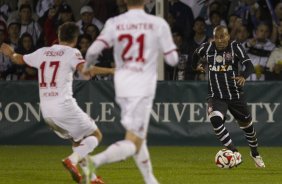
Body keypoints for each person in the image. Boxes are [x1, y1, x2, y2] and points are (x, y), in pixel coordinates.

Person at [0, 22, 114, 184]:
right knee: (96, 135)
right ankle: (71, 161)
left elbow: (19, 59)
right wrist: (111, 71)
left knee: (78, 142)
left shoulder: (43, 52)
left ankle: (92, 178)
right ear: (75, 39)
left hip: (46, 111)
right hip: (63, 106)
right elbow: (86, 71)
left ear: (59, 37)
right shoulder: (72, 52)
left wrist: (11, 54)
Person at [83, 0, 179, 183]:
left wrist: (87, 67)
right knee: (134, 140)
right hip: (142, 85)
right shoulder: (157, 23)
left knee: (138, 135)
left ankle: (150, 179)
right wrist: (166, 47)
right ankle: (93, 161)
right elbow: (173, 60)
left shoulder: (114, 22)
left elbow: (93, 50)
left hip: (122, 84)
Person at [192, 25, 265, 168]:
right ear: (213, 37)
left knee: (248, 128)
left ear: (228, 36)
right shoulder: (206, 48)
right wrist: (195, 66)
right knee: (215, 119)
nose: (220, 40)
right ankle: (234, 151)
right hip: (216, 95)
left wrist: (243, 76)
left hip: (235, 95)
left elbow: (248, 65)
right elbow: (194, 54)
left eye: (223, 36)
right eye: (217, 37)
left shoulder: (235, 47)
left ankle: (255, 153)